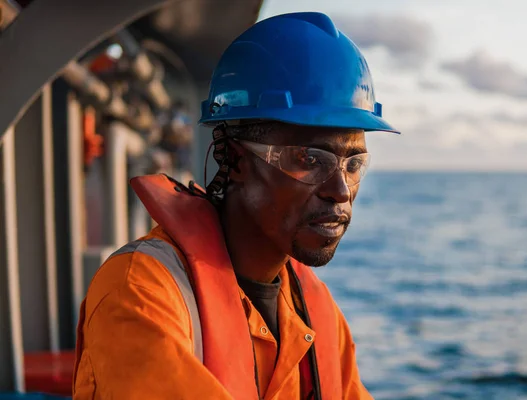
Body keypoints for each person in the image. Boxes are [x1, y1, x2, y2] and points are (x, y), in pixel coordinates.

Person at [73, 12, 400, 400]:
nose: (340, 190)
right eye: (310, 160)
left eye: (353, 164)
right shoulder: (143, 294)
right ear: (237, 159)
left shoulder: (317, 312)